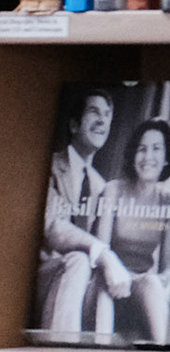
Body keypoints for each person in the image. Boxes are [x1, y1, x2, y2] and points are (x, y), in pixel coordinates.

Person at [38, 89, 131, 335]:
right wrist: (103, 253)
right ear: (74, 125)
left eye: (107, 115)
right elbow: (53, 226)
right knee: (80, 261)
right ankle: (61, 349)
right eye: (94, 112)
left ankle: (102, 349)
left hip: (80, 287)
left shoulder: (102, 187)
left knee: (102, 275)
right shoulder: (49, 166)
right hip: (40, 279)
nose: (102, 120)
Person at [89, 118, 170, 344]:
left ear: (167, 157)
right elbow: (102, 251)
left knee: (152, 284)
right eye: (142, 149)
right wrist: (122, 277)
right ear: (133, 156)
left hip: (139, 285)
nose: (148, 156)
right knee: (106, 285)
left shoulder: (169, 202)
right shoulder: (113, 190)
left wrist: (154, 283)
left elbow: (168, 268)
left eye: (156, 148)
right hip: (106, 278)